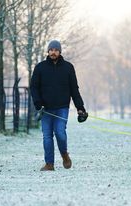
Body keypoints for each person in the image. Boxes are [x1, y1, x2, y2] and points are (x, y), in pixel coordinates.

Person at [31, 40, 88, 171]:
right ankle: (49, 164)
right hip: (45, 109)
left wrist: (80, 107)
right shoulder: (40, 67)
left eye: (56, 50)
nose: (53, 52)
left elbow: (74, 89)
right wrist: (38, 103)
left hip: (62, 107)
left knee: (60, 133)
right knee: (47, 136)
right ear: (48, 51)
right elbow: (34, 87)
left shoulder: (68, 67)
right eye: (51, 49)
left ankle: (64, 155)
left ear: (60, 51)